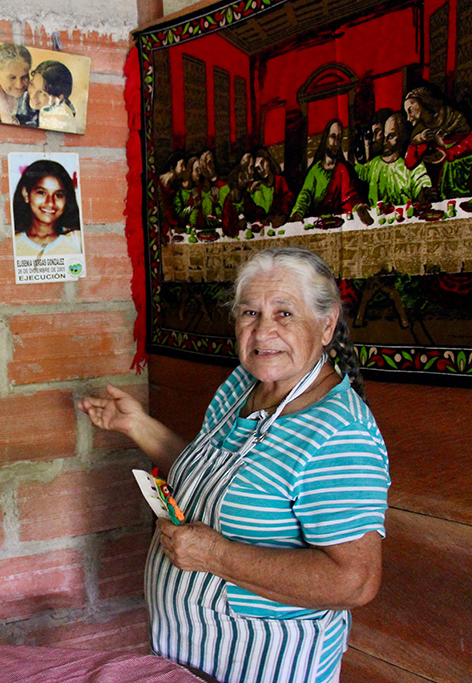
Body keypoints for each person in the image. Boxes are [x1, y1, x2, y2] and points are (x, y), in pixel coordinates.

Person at [79, 247, 390, 683]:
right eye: (250, 313)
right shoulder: (244, 385)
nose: (263, 332)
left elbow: (354, 581)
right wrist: (138, 427)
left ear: (326, 324)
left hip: (267, 665)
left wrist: (214, 556)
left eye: (284, 313)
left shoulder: (339, 434)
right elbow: (210, 475)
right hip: (188, 654)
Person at [290, 119, 372, 225]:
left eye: (339, 138)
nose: (336, 143)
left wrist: (358, 206)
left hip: (340, 222)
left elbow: (350, 196)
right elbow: (305, 195)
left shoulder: (343, 168)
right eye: (333, 137)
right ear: (326, 139)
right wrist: (298, 213)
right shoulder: (315, 170)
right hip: (318, 223)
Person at [353, 111, 433, 206]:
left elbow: (421, 181)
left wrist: (424, 192)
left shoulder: (410, 161)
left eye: (390, 136)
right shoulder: (374, 164)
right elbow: (356, 171)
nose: (383, 140)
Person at [12, 159, 83, 257]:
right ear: (26, 194)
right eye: (41, 193)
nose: (50, 203)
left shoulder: (78, 240)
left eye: (58, 195)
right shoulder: (13, 243)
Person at [17, 61, 77, 132]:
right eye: (32, 85)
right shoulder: (47, 106)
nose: (33, 95)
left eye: (42, 93)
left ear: (59, 98)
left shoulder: (59, 122)